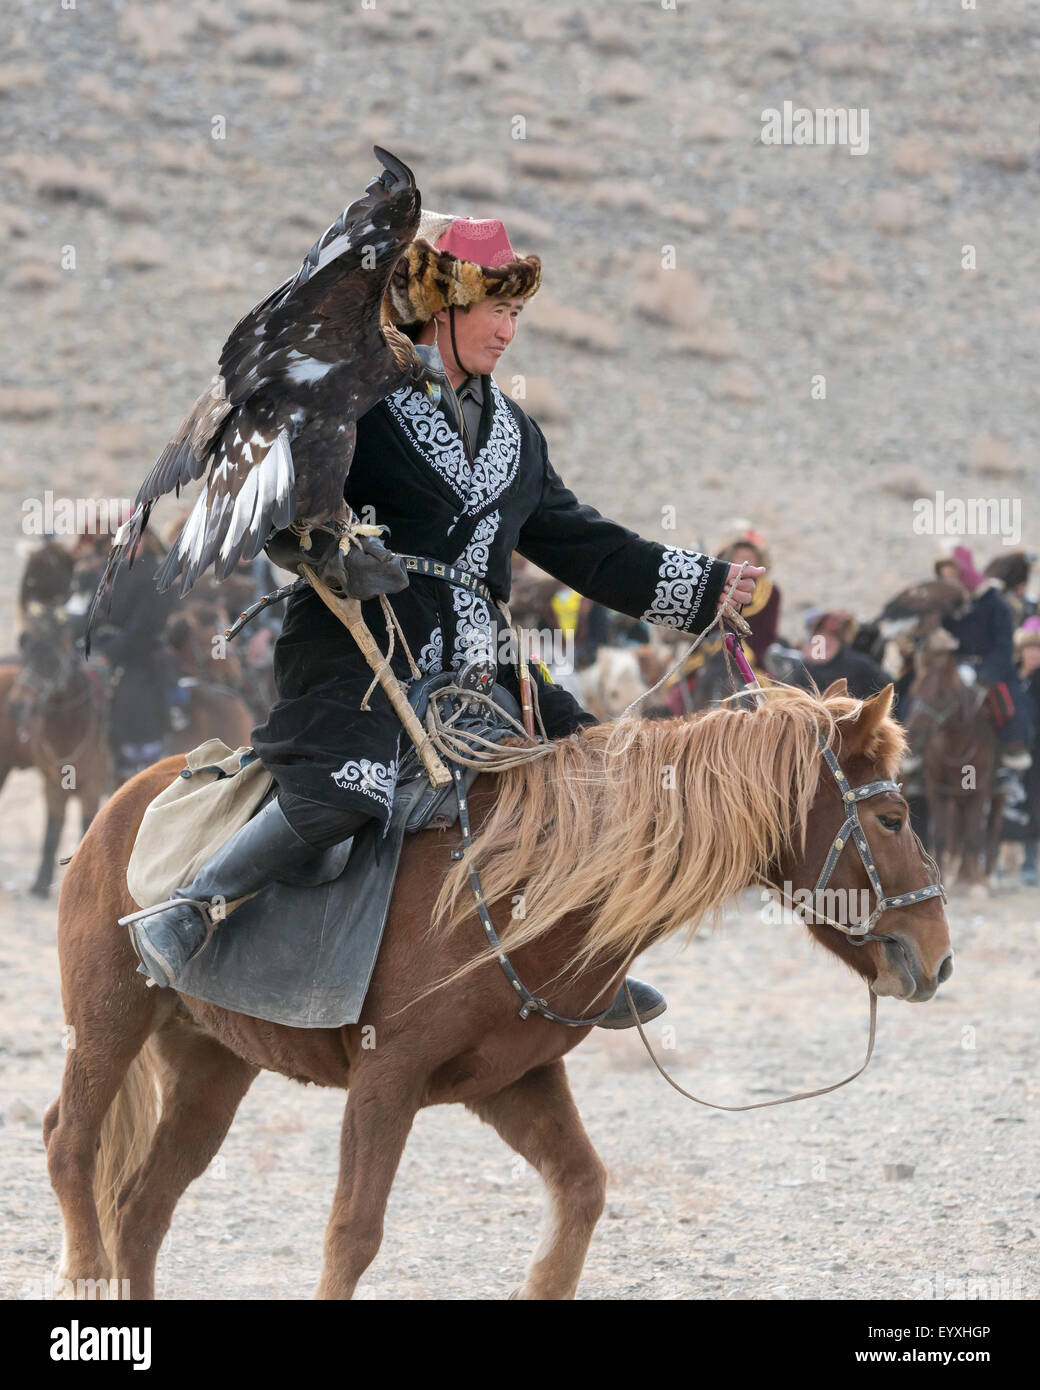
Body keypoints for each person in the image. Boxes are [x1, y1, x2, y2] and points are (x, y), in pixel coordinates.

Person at [130, 211, 762, 1021]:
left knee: (594, 779)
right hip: (358, 647)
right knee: (346, 791)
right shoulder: (360, 398)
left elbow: (588, 547)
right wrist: (327, 549)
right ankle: (192, 907)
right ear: (441, 304)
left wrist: (707, 588)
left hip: (482, 663)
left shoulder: (518, 437)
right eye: (495, 310)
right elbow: (285, 507)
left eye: (517, 315)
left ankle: (582, 964)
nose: (507, 331)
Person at [939, 545, 1033, 803]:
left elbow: (1004, 648)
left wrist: (982, 675)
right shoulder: (948, 606)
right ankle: (910, 759)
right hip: (951, 668)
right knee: (916, 696)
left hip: (990, 670)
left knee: (1011, 704)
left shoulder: (995, 605)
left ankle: (1009, 768)